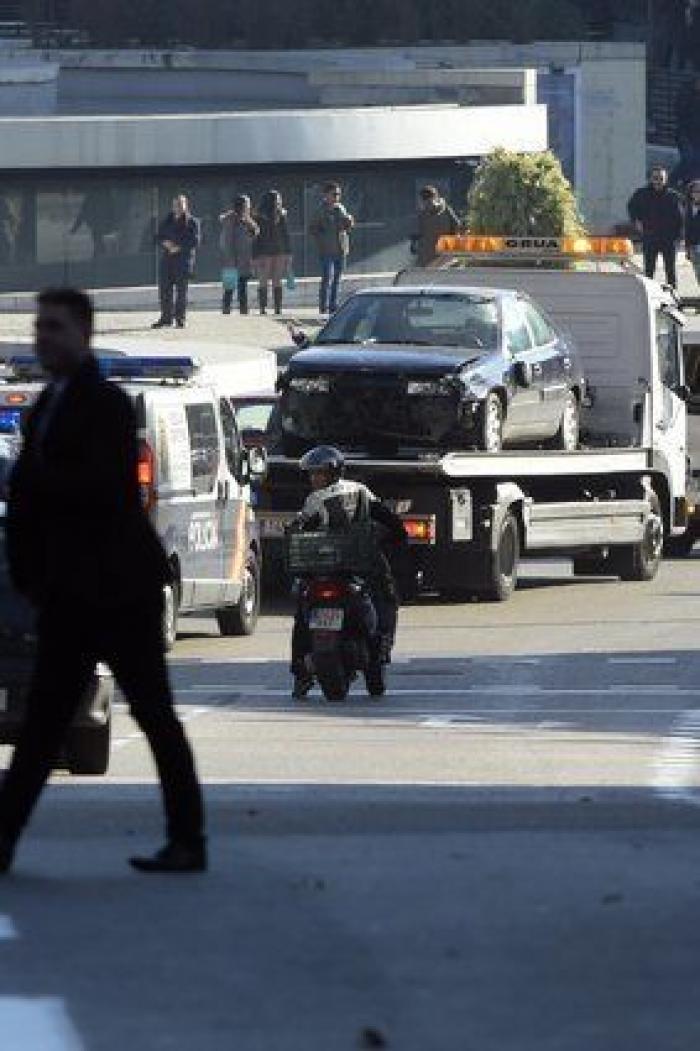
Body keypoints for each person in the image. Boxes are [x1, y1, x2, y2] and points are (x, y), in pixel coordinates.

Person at [0, 288, 206, 875]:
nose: (44, 339)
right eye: (40, 328)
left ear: (84, 335)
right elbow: (28, 509)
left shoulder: (107, 404)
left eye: (56, 329)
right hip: (69, 595)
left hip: (119, 592)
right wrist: (32, 579)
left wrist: (34, 485)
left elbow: (94, 493)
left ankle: (188, 838)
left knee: (154, 715)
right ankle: (4, 840)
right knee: (42, 728)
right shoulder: (47, 405)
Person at [290, 445, 407, 700]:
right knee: (385, 596)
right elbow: (389, 520)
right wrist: (397, 537)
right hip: (356, 566)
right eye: (312, 474)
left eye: (319, 474)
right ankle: (379, 652)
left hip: (327, 567)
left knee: (301, 611)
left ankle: (301, 674)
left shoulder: (315, 500)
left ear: (333, 472)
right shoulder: (360, 491)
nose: (314, 479)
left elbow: (297, 529)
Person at [627, 167, 684, 287]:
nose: (658, 181)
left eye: (661, 178)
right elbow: (631, 207)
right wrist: (636, 221)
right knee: (649, 270)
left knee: (670, 270)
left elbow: (681, 217)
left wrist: (679, 237)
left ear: (666, 179)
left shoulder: (674, 196)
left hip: (669, 239)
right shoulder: (641, 193)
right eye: (655, 178)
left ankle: (674, 296)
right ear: (650, 179)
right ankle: (648, 295)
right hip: (650, 237)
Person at [152, 194, 201, 329]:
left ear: (186, 205)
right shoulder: (167, 220)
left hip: (183, 261)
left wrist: (178, 247)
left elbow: (195, 241)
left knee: (181, 292)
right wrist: (165, 243)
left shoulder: (192, 222)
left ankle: (180, 319)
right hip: (167, 261)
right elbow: (157, 237)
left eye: (180, 204)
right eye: (175, 205)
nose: (177, 207)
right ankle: (165, 318)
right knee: (165, 290)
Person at [309, 182, 354, 315]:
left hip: (340, 248)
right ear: (326, 195)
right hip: (326, 249)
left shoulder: (340, 208)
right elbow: (312, 229)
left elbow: (347, 226)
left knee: (337, 278)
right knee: (327, 278)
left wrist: (349, 221)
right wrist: (321, 236)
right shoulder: (320, 210)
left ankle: (333, 305)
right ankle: (324, 306)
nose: (337, 197)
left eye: (338, 194)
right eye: (334, 194)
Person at [252, 190, 292, 316]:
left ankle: (274, 307)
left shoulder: (281, 216)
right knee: (267, 279)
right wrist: (254, 255)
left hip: (276, 251)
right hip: (266, 251)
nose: (279, 202)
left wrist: (289, 252)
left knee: (275, 279)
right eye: (277, 200)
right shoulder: (259, 217)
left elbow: (286, 235)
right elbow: (255, 237)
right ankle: (267, 307)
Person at [219, 194, 259, 315]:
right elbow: (227, 241)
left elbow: (256, 231)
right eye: (247, 204)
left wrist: (250, 223)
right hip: (232, 259)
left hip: (244, 258)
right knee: (230, 286)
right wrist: (230, 259)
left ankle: (243, 308)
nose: (249, 206)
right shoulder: (231, 220)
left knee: (243, 285)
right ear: (242, 206)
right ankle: (226, 309)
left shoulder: (246, 219)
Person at [410, 185, 461, 267]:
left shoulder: (424, 214)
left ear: (422, 200)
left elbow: (420, 233)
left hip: (431, 257)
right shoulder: (445, 209)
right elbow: (457, 225)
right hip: (443, 254)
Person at [674, 76, 700, 185]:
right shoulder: (687, 95)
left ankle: (689, 184)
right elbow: (680, 112)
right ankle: (672, 181)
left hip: (695, 136)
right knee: (689, 158)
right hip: (685, 134)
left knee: (695, 161)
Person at [686, 179, 700, 286]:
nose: (697, 194)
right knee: (698, 273)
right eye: (695, 191)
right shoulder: (688, 208)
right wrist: (687, 249)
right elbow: (687, 230)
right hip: (693, 247)